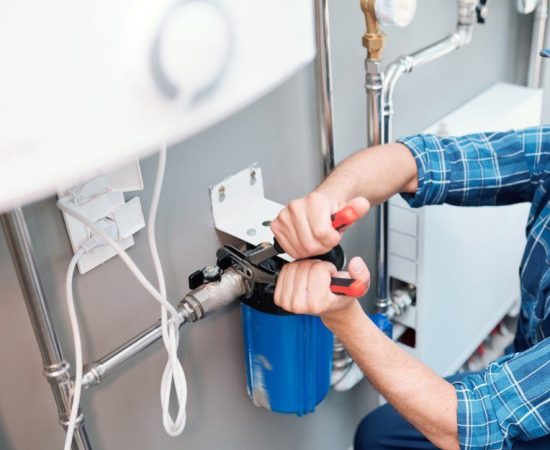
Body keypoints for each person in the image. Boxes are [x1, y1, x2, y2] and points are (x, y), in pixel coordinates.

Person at [270, 122, 550, 447]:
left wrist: (343, 318)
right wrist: (326, 202)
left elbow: (474, 421)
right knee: (377, 436)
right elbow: (419, 162)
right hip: (528, 364)